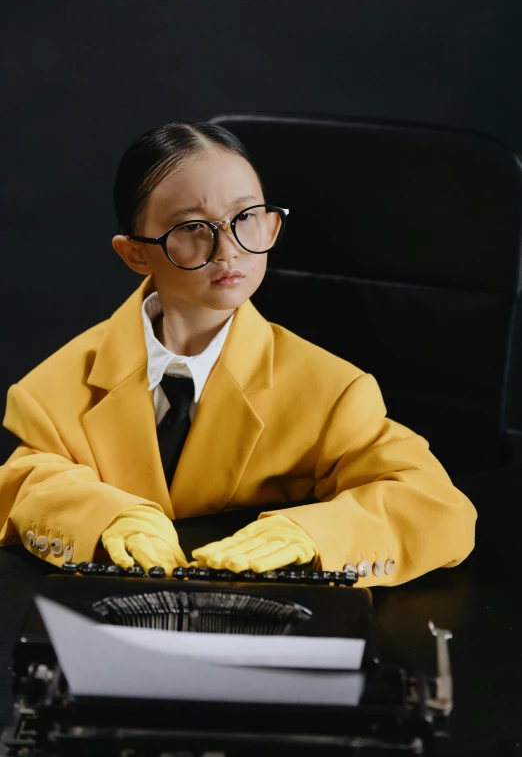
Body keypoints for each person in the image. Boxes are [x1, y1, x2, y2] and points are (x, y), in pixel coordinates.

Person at [0, 121, 476, 585]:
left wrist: (313, 532)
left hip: (255, 619)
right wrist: (103, 517)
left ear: (270, 224)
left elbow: (436, 506)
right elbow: (25, 479)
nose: (228, 249)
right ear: (135, 254)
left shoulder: (332, 392)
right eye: (191, 227)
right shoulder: (53, 387)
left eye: (246, 217)